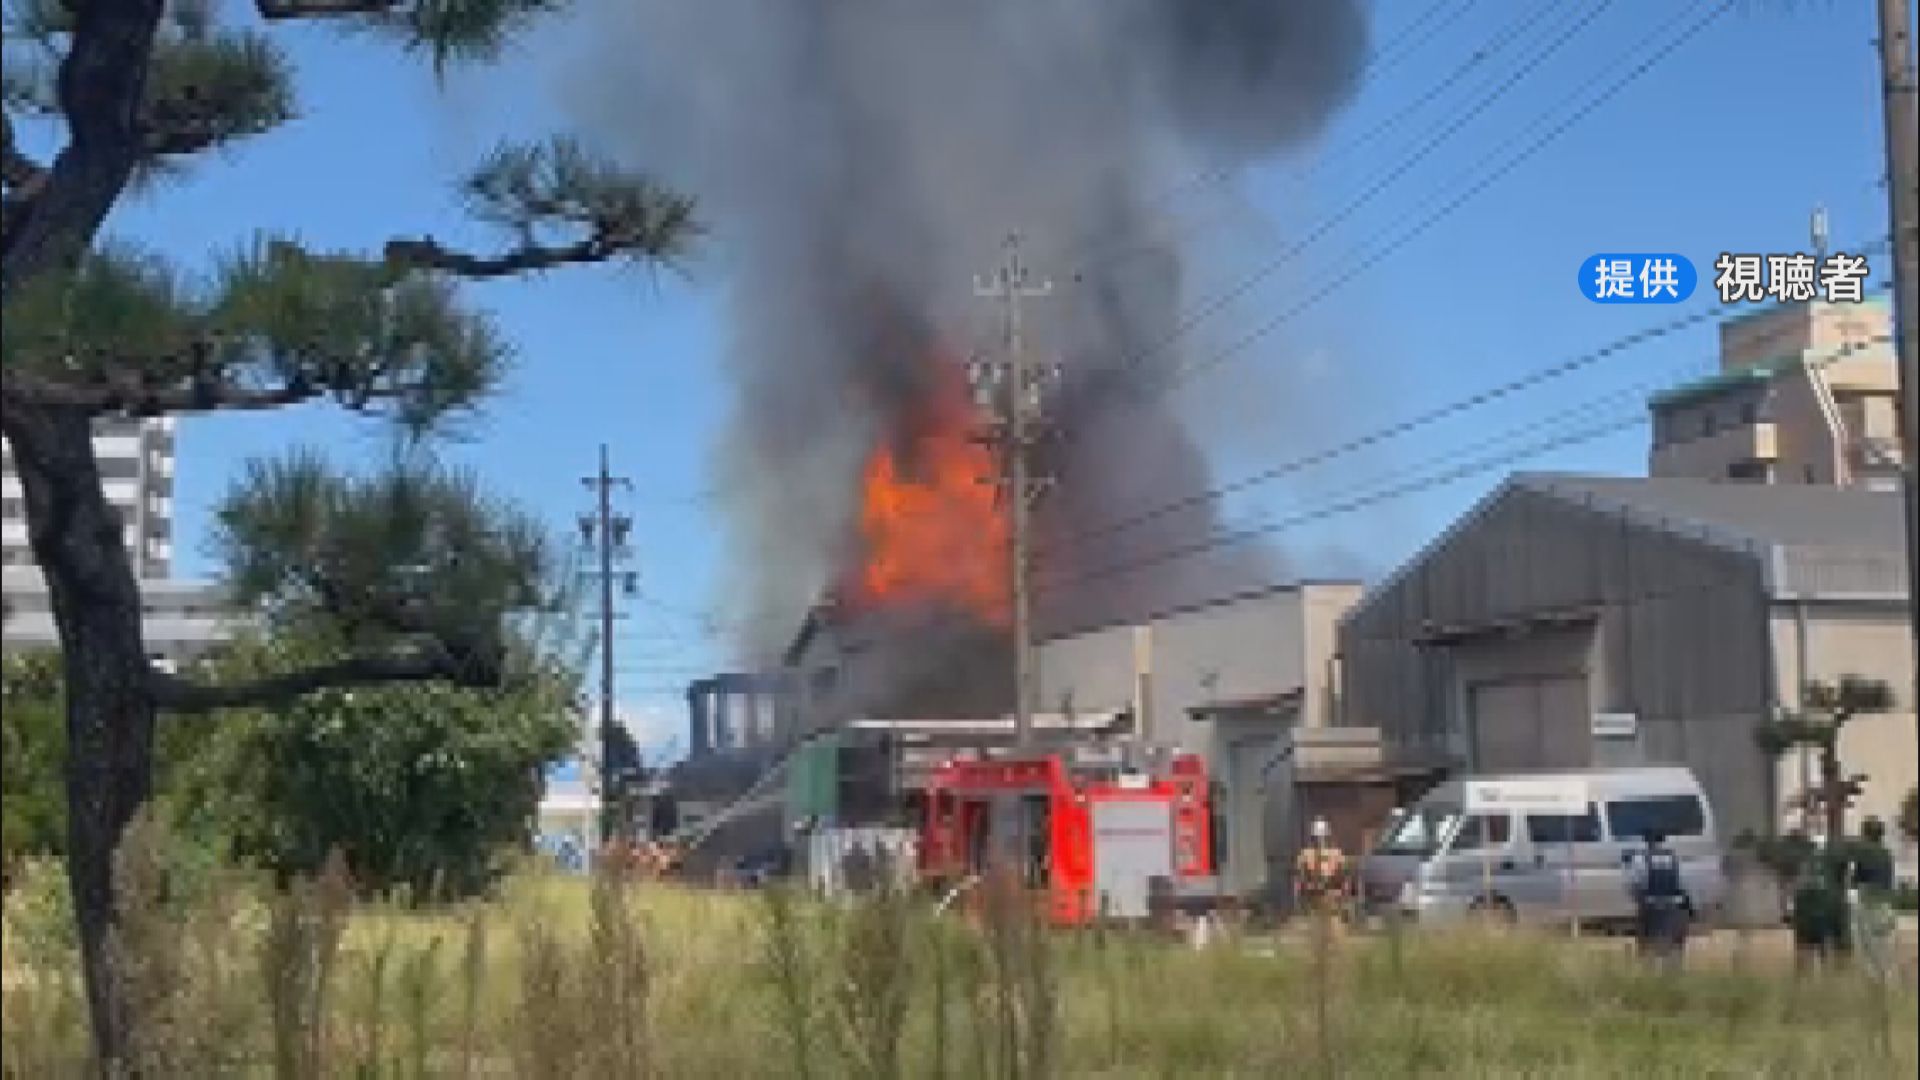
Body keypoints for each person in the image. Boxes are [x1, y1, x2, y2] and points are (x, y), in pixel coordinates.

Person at [1627, 829, 1690, 965]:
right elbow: (1683, 884)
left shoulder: (1641, 858)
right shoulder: (1674, 857)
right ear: (1663, 840)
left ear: (1646, 841)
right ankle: (1673, 977)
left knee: (1648, 947)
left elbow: (1634, 883)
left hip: (1652, 907)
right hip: (1674, 907)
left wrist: (1638, 901)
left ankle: (1649, 978)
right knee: (1673, 948)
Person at [1294, 818, 1351, 927]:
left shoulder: (1306, 854)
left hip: (1323, 889)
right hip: (1318, 889)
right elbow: (1344, 872)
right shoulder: (1335, 853)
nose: (1320, 841)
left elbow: (1344, 873)